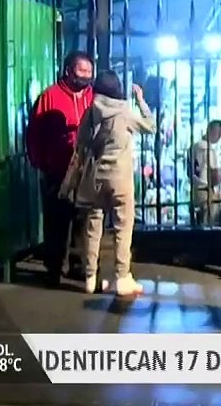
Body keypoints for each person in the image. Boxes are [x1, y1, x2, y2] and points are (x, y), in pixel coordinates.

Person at [73, 70, 156, 296]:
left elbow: (81, 142)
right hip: (120, 178)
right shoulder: (124, 112)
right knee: (123, 228)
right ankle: (122, 276)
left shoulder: (91, 112)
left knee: (93, 227)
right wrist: (140, 100)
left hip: (95, 177)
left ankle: (90, 277)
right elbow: (151, 126)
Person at [26, 50, 94, 287]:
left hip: (85, 169)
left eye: (89, 71)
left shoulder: (92, 97)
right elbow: (34, 132)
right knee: (56, 220)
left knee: (82, 220)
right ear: (68, 70)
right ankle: (54, 268)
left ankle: (77, 264)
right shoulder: (50, 96)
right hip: (56, 167)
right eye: (81, 70)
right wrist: (39, 161)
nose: (85, 76)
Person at [191, 119, 221, 225]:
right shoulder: (208, 149)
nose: (220, 136)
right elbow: (215, 177)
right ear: (211, 130)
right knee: (210, 223)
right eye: (219, 132)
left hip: (196, 189)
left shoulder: (195, 146)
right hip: (207, 191)